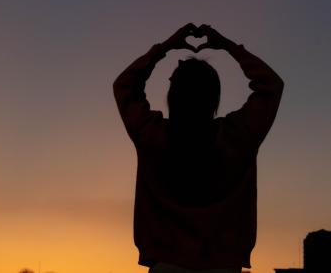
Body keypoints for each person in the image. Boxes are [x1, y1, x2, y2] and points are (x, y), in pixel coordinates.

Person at [113, 23, 284, 273]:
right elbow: (270, 85)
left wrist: (164, 48)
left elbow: (126, 86)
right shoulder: (237, 136)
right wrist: (228, 46)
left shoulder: (153, 135)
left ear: (172, 95)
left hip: (167, 265)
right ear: (214, 98)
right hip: (223, 265)